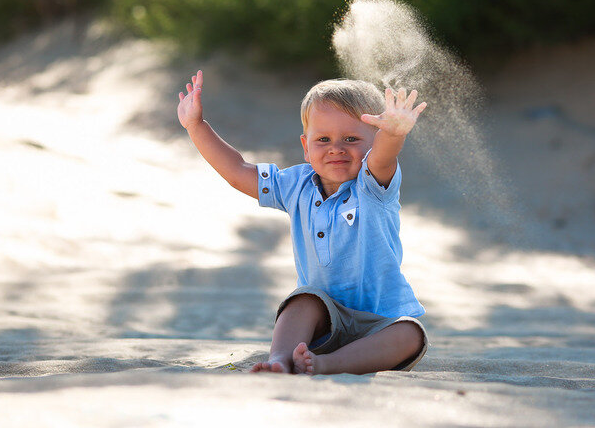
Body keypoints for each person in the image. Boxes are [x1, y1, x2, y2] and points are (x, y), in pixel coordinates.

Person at [177, 70, 428, 375]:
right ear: (306, 147)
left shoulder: (373, 185)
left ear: (374, 143)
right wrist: (196, 126)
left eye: (351, 138)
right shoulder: (296, 185)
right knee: (302, 300)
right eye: (323, 139)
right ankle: (281, 359)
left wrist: (394, 134)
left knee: (412, 334)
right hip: (322, 325)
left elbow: (384, 157)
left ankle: (325, 364)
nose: (336, 147)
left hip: (381, 324)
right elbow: (237, 171)